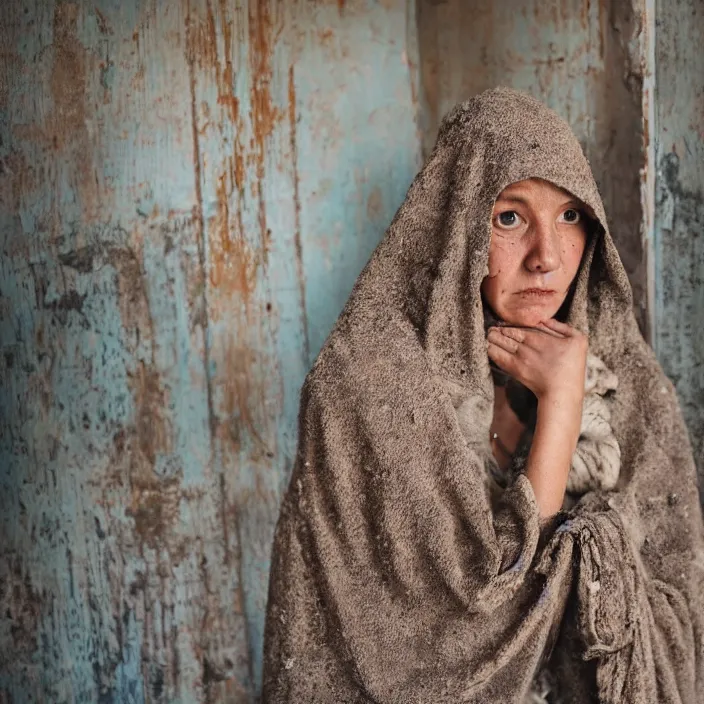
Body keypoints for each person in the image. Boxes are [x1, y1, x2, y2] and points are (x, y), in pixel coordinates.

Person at [261, 87, 704, 703]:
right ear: (457, 223)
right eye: (510, 218)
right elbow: (472, 636)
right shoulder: (365, 387)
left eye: (571, 216)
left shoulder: (623, 380)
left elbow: (683, 616)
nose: (547, 257)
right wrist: (560, 412)